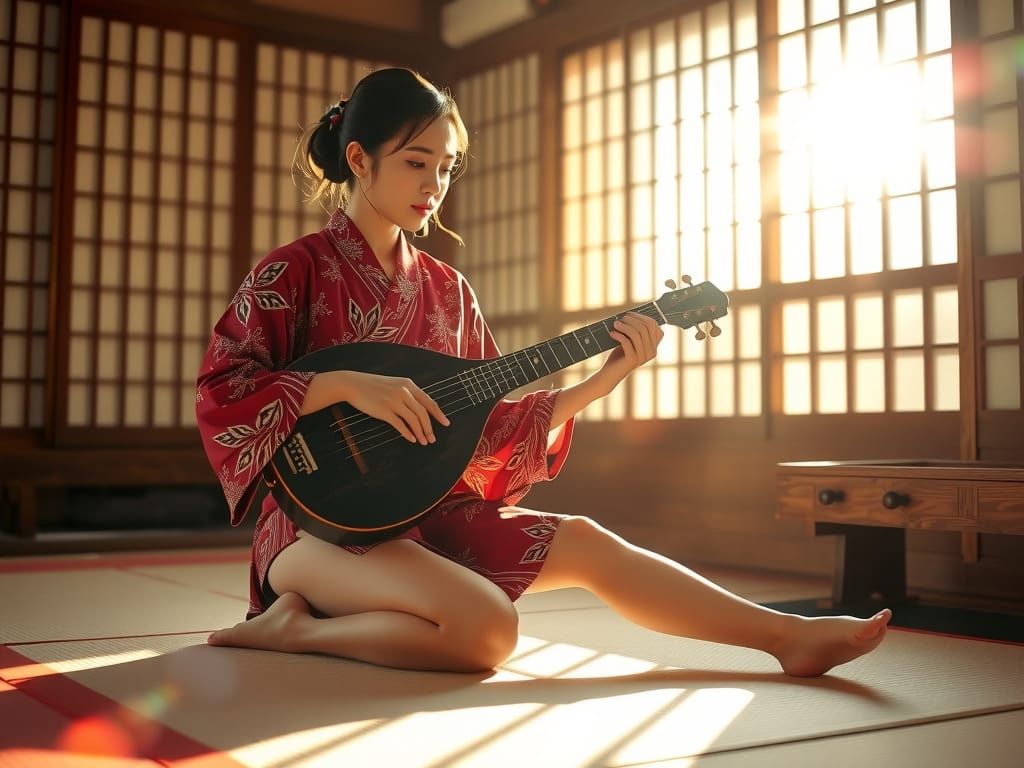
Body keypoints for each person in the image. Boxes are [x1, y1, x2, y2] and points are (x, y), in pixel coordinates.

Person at [196, 67, 891, 677]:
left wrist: (599, 382)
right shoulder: (296, 270)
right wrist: (345, 385)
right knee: (488, 630)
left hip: (423, 515)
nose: (434, 185)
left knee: (587, 541)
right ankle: (294, 630)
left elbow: (485, 425)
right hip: (315, 529)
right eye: (416, 162)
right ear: (360, 158)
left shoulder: (449, 290)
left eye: (446, 167)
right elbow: (226, 386)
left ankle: (787, 637)